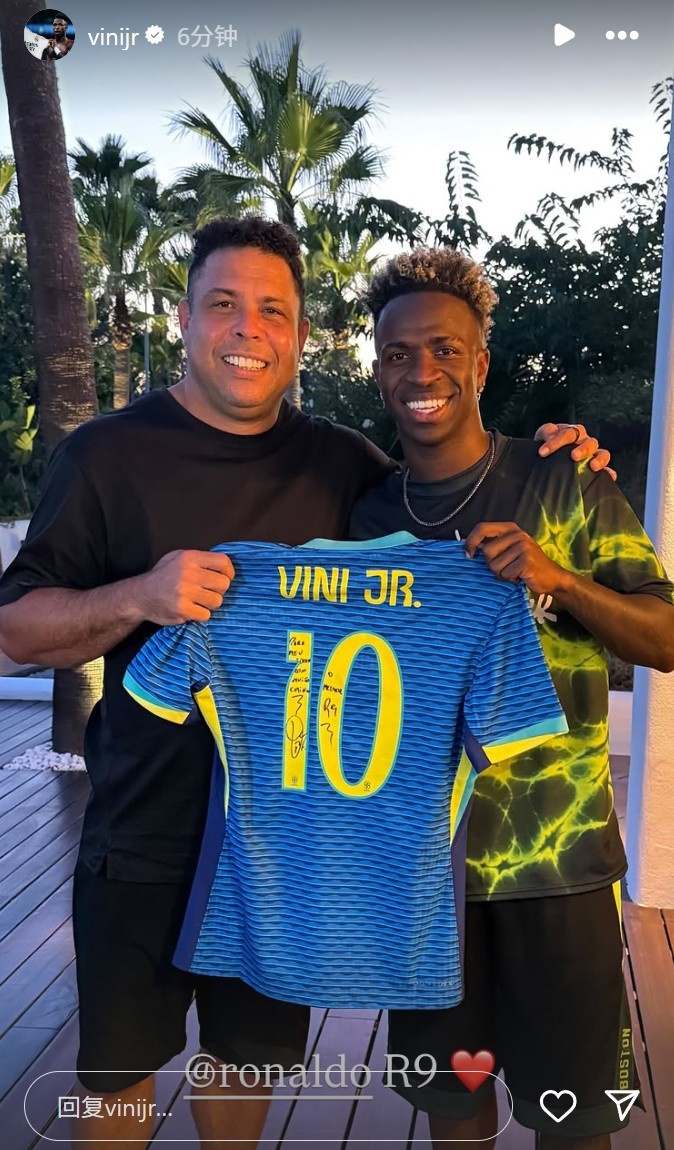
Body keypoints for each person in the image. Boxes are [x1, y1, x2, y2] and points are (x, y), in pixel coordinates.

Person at [0, 216, 611, 1150]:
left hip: (289, 852)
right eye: (223, 304)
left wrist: (555, 456)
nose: (248, 329)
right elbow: (16, 628)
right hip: (143, 832)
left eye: (272, 311)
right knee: (116, 1071)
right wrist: (139, 595)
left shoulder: (348, 467)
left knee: (244, 1065)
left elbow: (443, 503)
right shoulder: (105, 456)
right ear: (184, 318)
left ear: (298, 334)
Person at [349, 246, 674, 1150]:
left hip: (558, 864)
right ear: (377, 369)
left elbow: (664, 637)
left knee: (576, 1122)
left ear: (482, 364)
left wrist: (557, 577)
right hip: (426, 873)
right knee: (454, 1111)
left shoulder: (565, 477)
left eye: (446, 350)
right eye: (399, 353)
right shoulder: (368, 516)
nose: (423, 372)